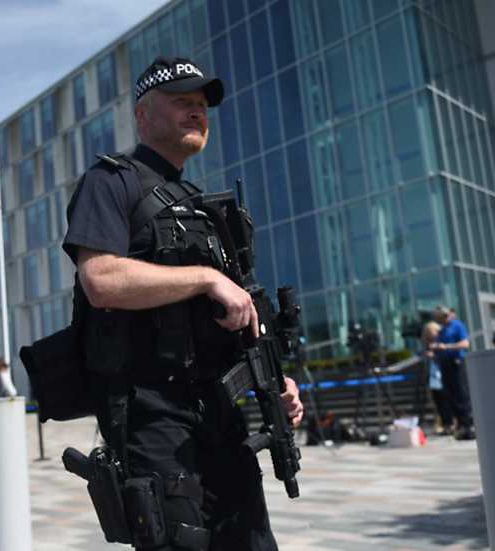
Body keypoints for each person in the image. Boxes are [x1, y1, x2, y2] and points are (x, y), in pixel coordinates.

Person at [62, 56, 303, 550]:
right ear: (143, 115)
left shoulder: (203, 206)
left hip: (220, 413)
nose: (197, 112)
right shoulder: (111, 182)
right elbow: (100, 278)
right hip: (153, 415)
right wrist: (204, 278)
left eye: (201, 105)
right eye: (181, 102)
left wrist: (276, 379)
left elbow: (241, 308)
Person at [429, 306, 475, 440]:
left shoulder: (457, 325)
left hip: (456, 363)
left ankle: (468, 425)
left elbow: (465, 344)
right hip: (444, 364)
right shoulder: (442, 330)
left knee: (461, 394)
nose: (442, 320)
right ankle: (460, 425)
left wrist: (447, 346)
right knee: (451, 396)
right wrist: (435, 351)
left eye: (444, 316)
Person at [420, 320, 452, 435]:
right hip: (433, 378)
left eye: (432, 332)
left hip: (443, 375)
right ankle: (445, 425)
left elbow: (446, 357)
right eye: (429, 333)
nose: (432, 335)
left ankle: (451, 424)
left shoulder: (442, 342)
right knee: (439, 403)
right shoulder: (427, 346)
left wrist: (434, 356)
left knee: (447, 401)